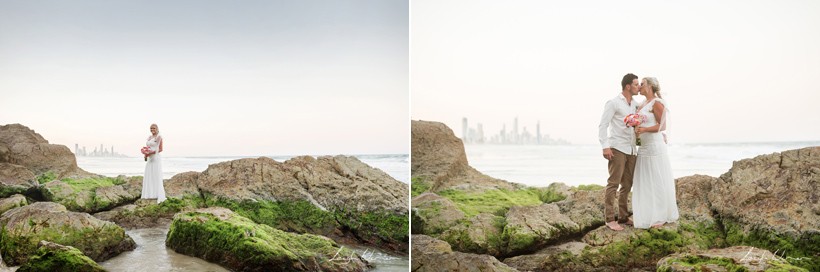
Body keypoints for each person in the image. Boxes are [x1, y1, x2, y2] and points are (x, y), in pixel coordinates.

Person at [633, 77, 679, 228]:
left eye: (642, 84)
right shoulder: (641, 105)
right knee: (645, 181)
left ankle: (661, 215)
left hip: (655, 146)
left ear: (650, 86)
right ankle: (647, 214)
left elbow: (663, 125)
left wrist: (644, 129)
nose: (639, 86)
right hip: (644, 147)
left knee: (657, 180)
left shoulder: (656, 103)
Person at [598, 73, 640, 231]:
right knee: (613, 183)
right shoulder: (614, 103)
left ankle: (623, 216)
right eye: (636, 84)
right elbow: (603, 125)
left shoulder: (635, 104)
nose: (638, 87)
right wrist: (605, 146)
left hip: (631, 148)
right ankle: (609, 219)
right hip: (617, 147)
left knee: (627, 184)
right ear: (628, 86)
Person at [142, 123, 166, 203]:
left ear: (157, 129)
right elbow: (148, 146)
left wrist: (151, 153)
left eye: (154, 128)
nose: (152, 130)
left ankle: (156, 194)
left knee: (155, 174)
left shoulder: (159, 137)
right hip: (149, 158)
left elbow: (161, 149)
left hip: (155, 158)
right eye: (151, 129)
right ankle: (149, 194)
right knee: (149, 174)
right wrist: (146, 153)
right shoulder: (149, 137)